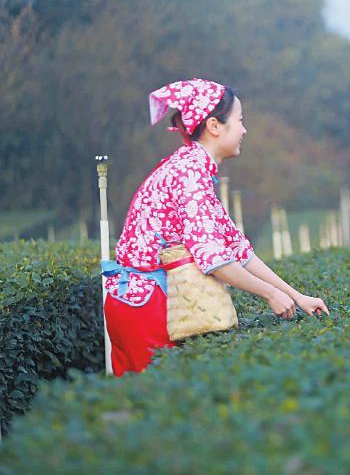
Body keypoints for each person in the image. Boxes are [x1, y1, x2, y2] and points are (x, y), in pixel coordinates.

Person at [102, 78, 329, 376]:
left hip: (147, 301)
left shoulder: (195, 167)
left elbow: (237, 249)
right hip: (146, 305)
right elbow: (215, 260)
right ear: (214, 126)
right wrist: (270, 295)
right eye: (240, 120)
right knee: (156, 407)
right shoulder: (190, 173)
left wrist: (297, 297)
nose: (245, 130)